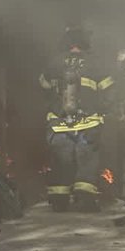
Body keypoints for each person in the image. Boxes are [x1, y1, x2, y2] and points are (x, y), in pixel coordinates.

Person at [39, 25, 114, 212]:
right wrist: (103, 109)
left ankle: (59, 201)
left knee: (60, 161)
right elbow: (109, 92)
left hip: (58, 124)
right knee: (87, 162)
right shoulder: (96, 63)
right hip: (88, 124)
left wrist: (53, 106)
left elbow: (43, 87)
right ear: (85, 42)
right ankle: (86, 201)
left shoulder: (53, 63)